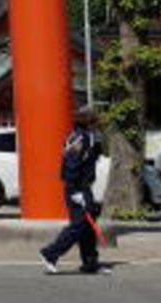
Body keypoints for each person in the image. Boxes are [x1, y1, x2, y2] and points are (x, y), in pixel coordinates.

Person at [39, 107, 109, 275]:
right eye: (95, 121)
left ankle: (90, 263)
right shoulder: (79, 138)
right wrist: (75, 191)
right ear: (88, 122)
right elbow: (71, 165)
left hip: (84, 186)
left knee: (88, 226)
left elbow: (95, 155)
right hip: (76, 187)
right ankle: (50, 253)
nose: (98, 124)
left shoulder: (88, 137)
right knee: (79, 224)